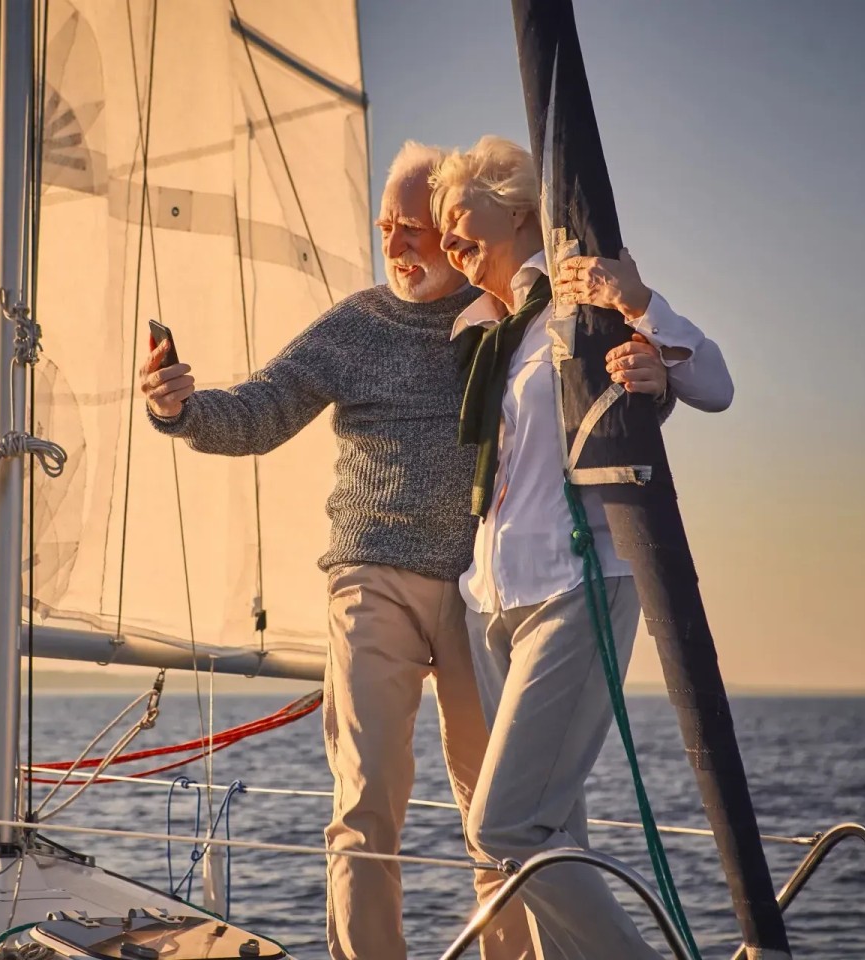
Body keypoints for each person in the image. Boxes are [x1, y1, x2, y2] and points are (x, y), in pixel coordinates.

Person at [139, 140, 673, 960]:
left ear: (462, 234)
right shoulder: (356, 323)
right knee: (368, 802)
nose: (398, 245)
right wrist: (181, 409)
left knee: (493, 808)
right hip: (372, 579)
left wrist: (651, 355)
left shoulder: (501, 321)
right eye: (386, 226)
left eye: (417, 228)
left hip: (474, 593)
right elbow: (262, 410)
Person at [430, 135, 734, 959]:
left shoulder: (577, 305)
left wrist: (640, 314)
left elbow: (714, 384)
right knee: (553, 836)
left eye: (459, 217)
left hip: (576, 583)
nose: (449, 240)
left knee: (503, 828)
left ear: (520, 204)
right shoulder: (480, 336)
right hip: (491, 601)